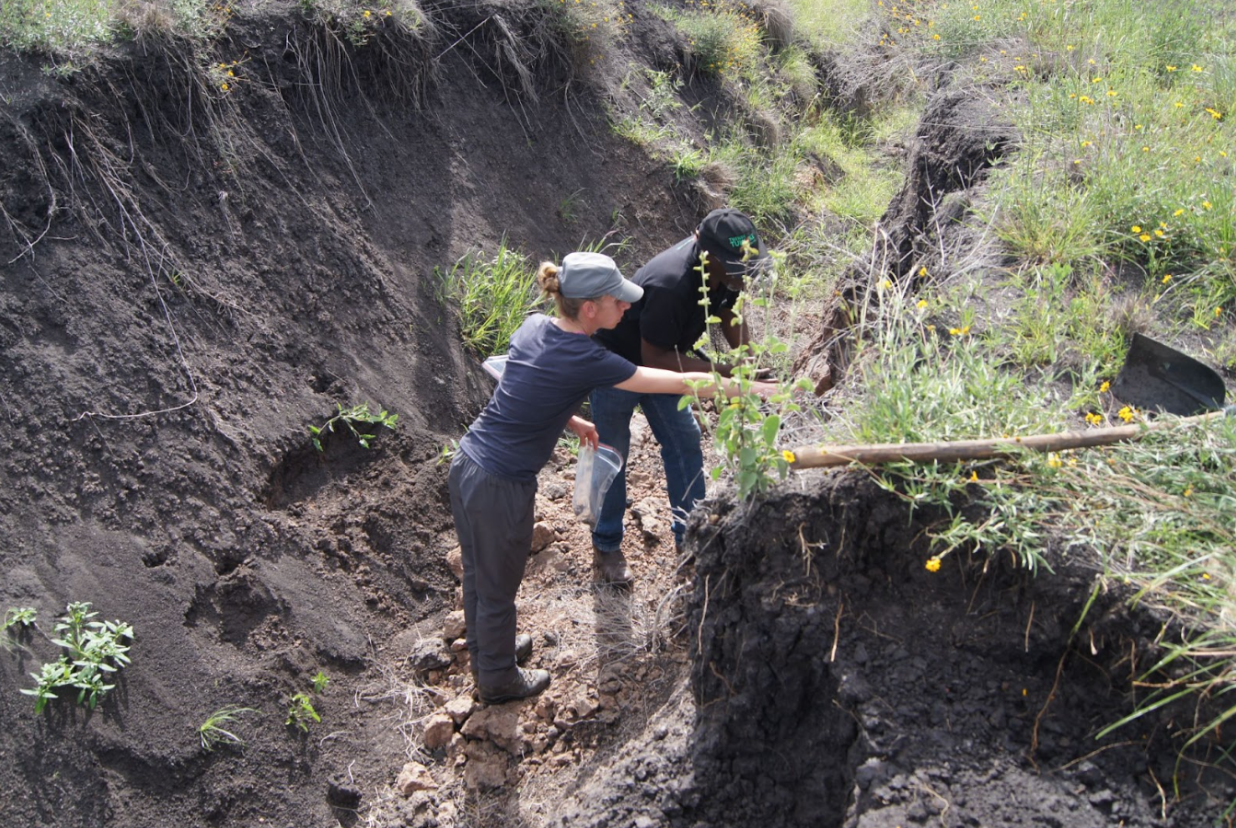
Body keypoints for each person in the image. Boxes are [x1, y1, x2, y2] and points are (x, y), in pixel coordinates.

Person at [448, 251, 777, 705]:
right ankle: (498, 679)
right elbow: (669, 382)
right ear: (589, 309)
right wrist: (753, 387)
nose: (626, 309)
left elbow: (520, 378)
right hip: (502, 484)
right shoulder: (588, 356)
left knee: (478, 573)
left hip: (468, 464)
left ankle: (491, 651)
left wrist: (574, 423)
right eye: (617, 302)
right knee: (500, 585)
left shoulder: (534, 326)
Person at [589, 208, 773, 585]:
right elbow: (654, 357)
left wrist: (744, 363)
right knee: (612, 453)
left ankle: (691, 540)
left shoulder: (725, 276)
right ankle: (606, 544)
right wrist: (724, 376)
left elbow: (724, 316)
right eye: (737, 267)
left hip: (664, 360)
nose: (744, 275)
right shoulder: (673, 282)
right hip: (616, 366)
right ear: (707, 255)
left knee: (685, 441)